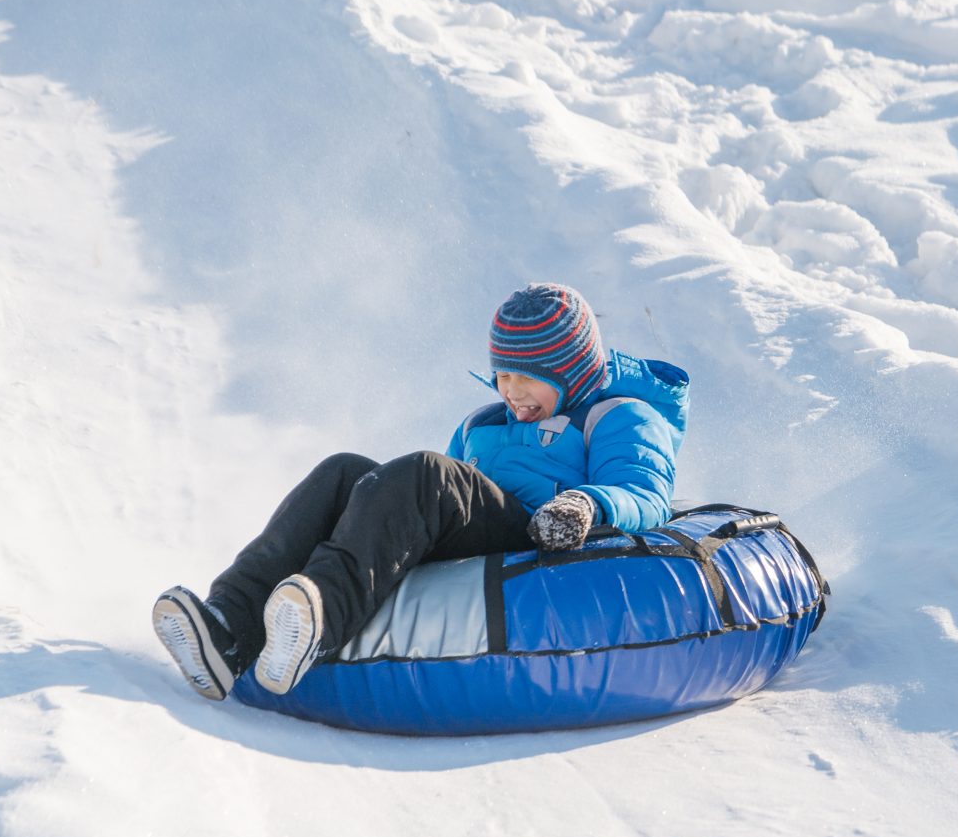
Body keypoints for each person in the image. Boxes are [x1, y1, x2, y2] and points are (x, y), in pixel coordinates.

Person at [151, 282, 686, 701]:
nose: (512, 393)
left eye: (530, 379)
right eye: (503, 376)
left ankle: (319, 622)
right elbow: (435, 499)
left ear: (573, 371)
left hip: (538, 537)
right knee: (344, 471)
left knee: (430, 473)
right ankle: (229, 627)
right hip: (479, 535)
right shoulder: (482, 423)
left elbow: (645, 493)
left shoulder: (617, 415)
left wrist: (585, 505)